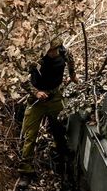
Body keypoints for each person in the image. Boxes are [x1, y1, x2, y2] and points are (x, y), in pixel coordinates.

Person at [19, 35, 77, 175]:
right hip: (37, 101)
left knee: (60, 129)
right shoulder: (36, 59)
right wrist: (35, 92)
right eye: (49, 50)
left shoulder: (64, 52)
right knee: (30, 135)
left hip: (55, 98)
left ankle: (62, 159)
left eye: (54, 49)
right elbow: (21, 78)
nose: (51, 53)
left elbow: (71, 61)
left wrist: (72, 75)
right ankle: (26, 168)